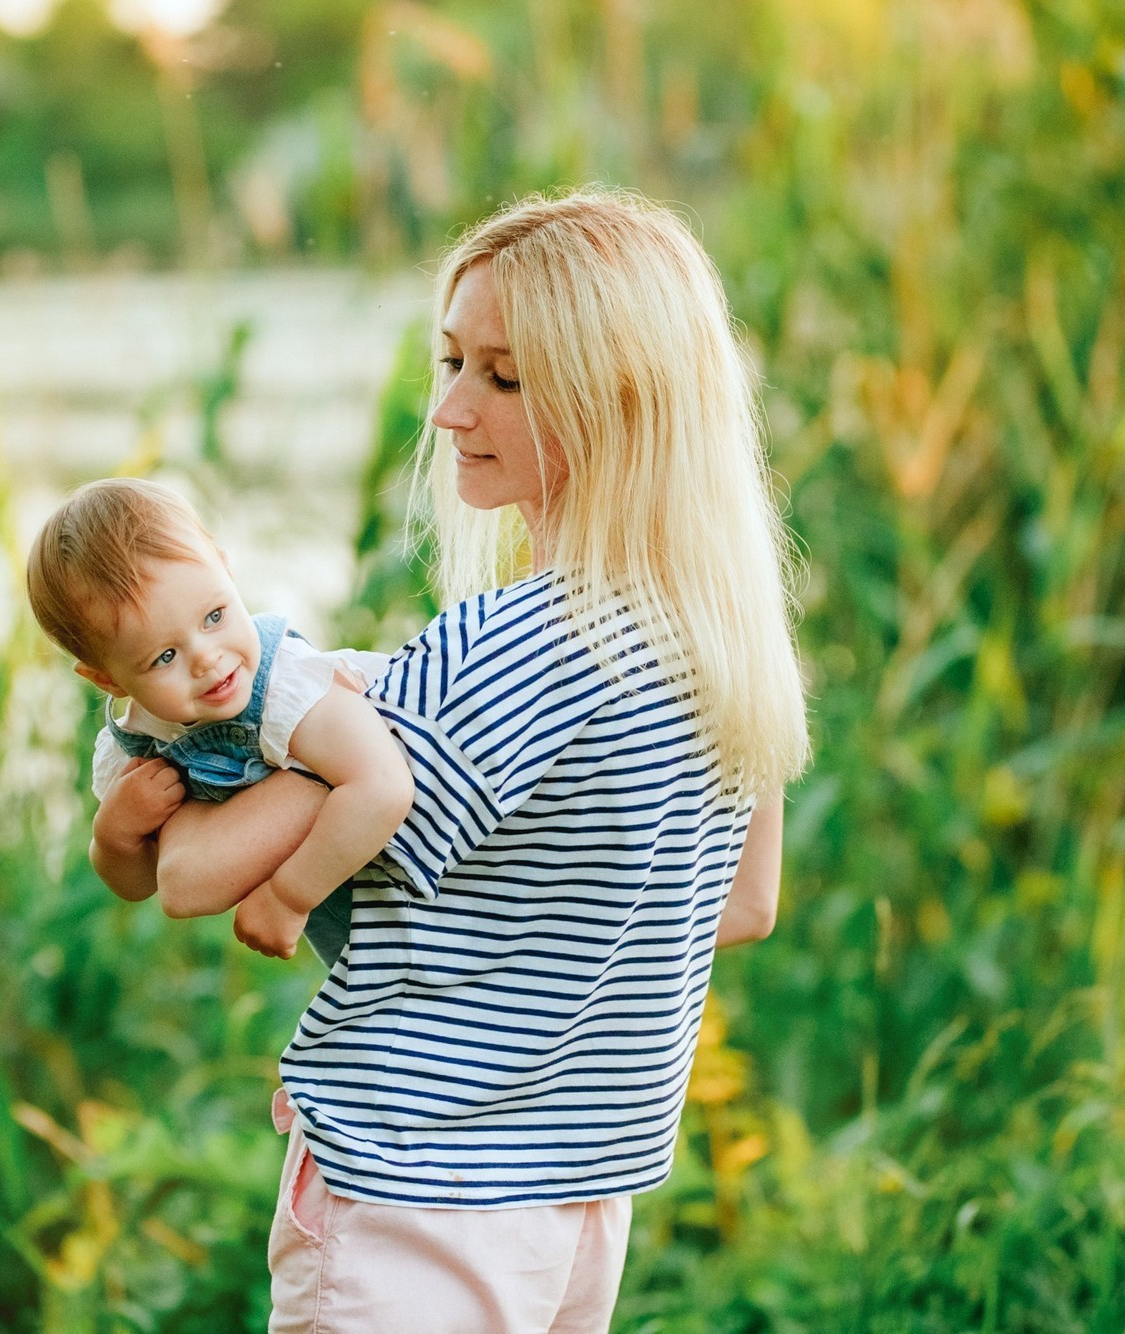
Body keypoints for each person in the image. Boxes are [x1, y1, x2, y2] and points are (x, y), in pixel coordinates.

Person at [91, 189, 810, 1333]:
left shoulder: (509, 646)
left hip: (413, 1200)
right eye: (451, 361)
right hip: (578, 1200)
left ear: (615, 397)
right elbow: (742, 903)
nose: (447, 409)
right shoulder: (723, 637)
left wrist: (147, 806)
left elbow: (192, 877)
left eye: (501, 376)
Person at [27, 476, 410, 964]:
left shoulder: (286, 685)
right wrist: (115, 835)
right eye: (164, 656)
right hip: (372, 943)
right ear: (108, 679)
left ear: (226, 570)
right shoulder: (141, 741)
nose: (207, 659)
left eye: (214, 616)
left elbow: (383, 785)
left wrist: (289, 896)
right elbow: (141, 882)